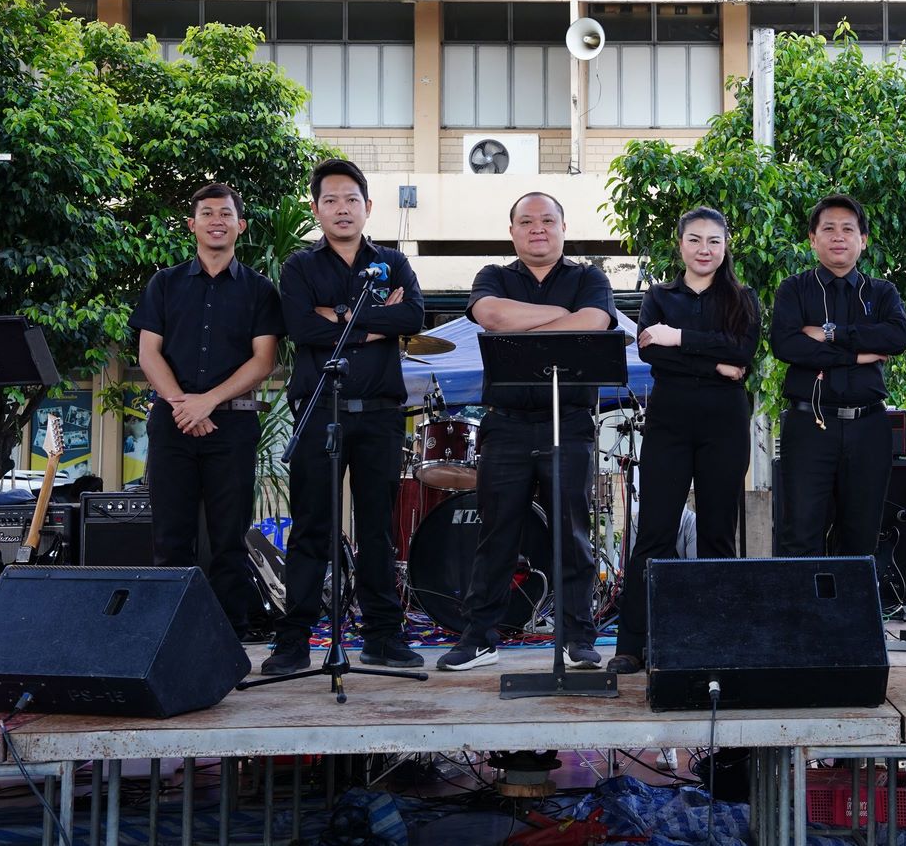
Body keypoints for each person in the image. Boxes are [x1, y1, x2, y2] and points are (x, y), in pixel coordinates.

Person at [439, 192, 617, 672]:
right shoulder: (493, 277)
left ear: (563, 227)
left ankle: (577, 638)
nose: (538, 228)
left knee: (573, 535)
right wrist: (564, 318)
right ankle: (480, 638)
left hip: (569, 422)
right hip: (506, 425)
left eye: (547, 220)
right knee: (496, 535)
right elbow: (493, 317)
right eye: (527, 221)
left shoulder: (590, 278)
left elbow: (595, 323)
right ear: (512, 231)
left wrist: (523, 331)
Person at [261, 159, 425, 676]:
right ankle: (294, 641)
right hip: (319, 411)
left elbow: (413, 316)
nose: (342, 209)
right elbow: (301, 329)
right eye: (330, 200)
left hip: (381, 415)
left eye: (351, 199)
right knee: (311, 527)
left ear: (368, 206)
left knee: (377, 529)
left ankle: (383, 637)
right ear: (316, 209)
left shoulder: (393, 262)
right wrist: (376, 322)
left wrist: (337, 315)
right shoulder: (299, 267)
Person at [607, 207, 761, 676]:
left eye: (714, 241)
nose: (704, 249)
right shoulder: (658, 296)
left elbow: (743, 351)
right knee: (654, 532)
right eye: (695, 239)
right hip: (669, 422)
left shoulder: (742, 298)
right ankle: (632, 644)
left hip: (724, 423)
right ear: (680, 245)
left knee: (718, 533)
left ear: (726, 245)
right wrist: (714, 362)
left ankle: (717, 638)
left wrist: (678, 338)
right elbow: (654, 356)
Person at [131, 182, 283, 640]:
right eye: (207, 213)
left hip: (233, 425)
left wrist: (207, 401)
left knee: (228, 541)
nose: (217, 221)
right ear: (192, 224)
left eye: (226, 213)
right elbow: (148, 353)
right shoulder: (164, 283)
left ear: (241, 225)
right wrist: (183, 405)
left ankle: (227, 638)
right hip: (172, 423)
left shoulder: (260, 290)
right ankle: (169, 638)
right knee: (170, 538)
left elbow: (264, 360)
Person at [770, 194, 906, 558]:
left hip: (869, 426)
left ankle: (853, 600)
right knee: (800, 533)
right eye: (828, 228)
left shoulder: (882, 292)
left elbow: (896, 337)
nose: (838, 236)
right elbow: (786, 345)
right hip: (808, 425)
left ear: (863, 240)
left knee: (862, 536)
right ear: (812, 239)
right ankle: (803, 599)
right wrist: (857, 354)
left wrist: (830, 333)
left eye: (848, 229)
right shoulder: (794, 289)